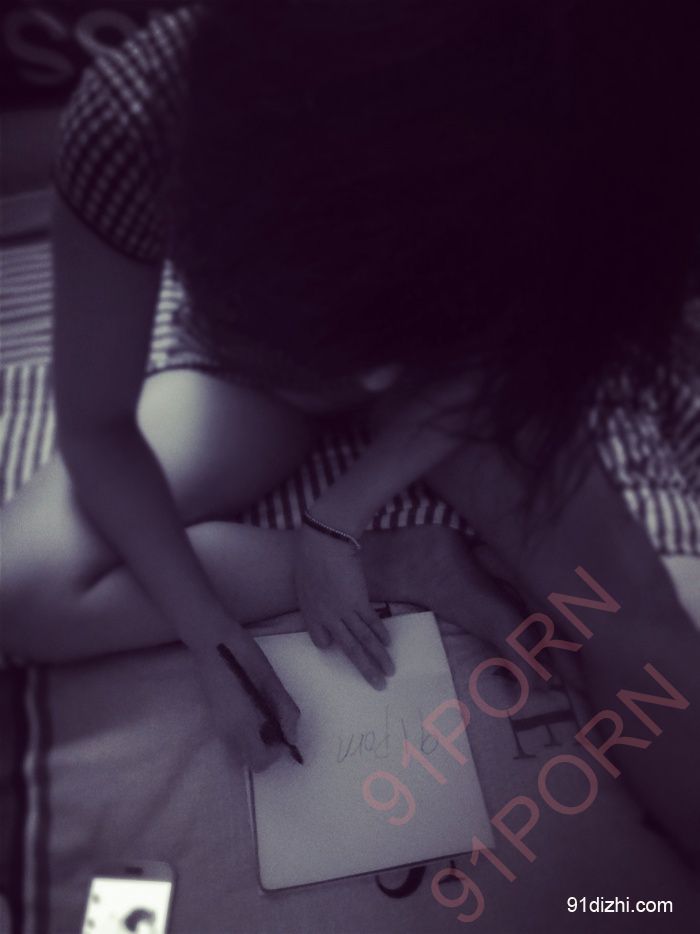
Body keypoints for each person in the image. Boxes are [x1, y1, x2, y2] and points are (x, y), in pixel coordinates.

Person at [2, 1, 699, 864]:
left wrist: (343, 508)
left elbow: (523, 347)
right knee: (20, 585)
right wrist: (214, 633)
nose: (369, 381)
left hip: (462, 379)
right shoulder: (136, 116)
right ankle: (408, 560)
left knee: (632, 612)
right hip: (254, 375)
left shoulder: (524, 95)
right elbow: (99, 428)